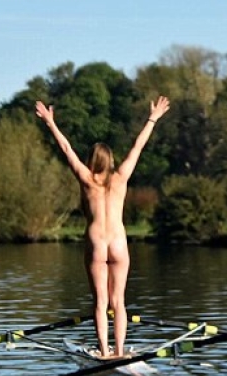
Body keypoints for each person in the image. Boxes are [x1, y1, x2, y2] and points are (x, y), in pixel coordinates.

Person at [35, 96, 171, 358]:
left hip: (96, 242)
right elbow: (137, 147)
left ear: (92, 160)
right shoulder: (120, 178)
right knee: (118, 302)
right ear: (110, 161)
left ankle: (104, 351)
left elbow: (66, 149)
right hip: (119, 243)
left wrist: (51, 123)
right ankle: (120, 351)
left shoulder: (86, 180)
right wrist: (152, 118)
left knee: (100, 303)